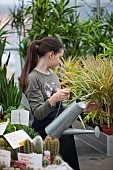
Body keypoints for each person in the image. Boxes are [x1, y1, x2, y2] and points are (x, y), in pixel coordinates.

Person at [20, 36, 97, 170]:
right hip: (48, 135)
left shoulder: (53, 75)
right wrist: (53, 98)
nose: (61, 62)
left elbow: (61, 108)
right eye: (60, 57)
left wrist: (82, 109)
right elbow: (38, 114)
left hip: (64, 133)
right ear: (51, 54)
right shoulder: (33, 78)